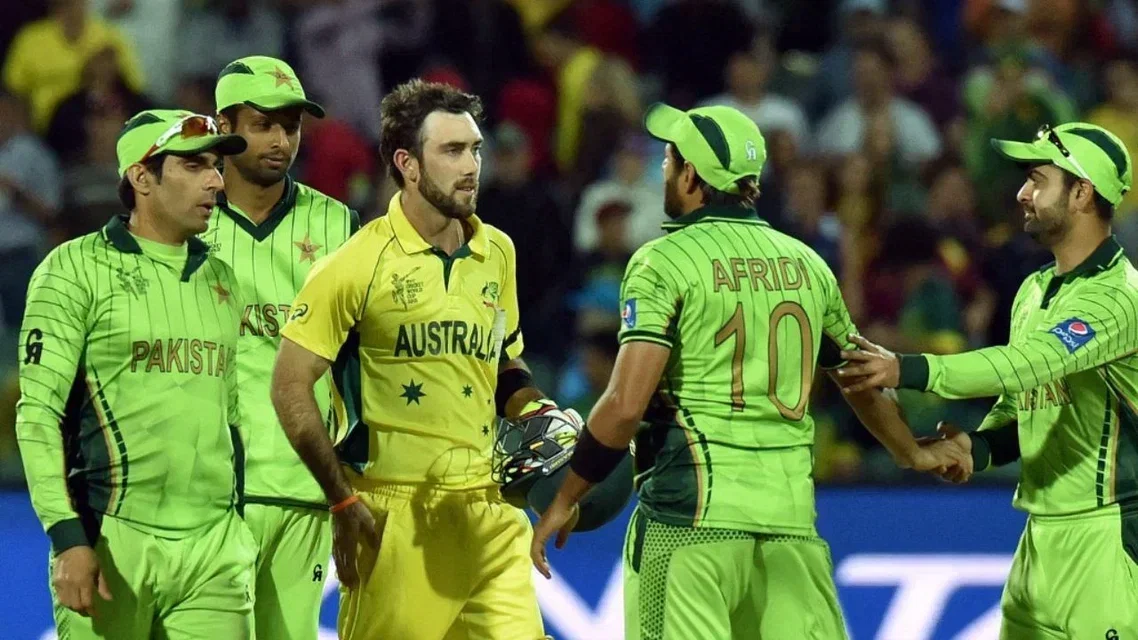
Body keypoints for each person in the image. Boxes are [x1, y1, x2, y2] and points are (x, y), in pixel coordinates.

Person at [530, 103, 966, 639]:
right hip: (791, 528)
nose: (664, 170)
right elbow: (860, 377)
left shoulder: (663, 261)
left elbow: (623, 406)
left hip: (690, 524)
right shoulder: (807, 263)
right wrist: (911, 451)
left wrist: (567, 496)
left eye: (669, 160)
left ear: (691, 175)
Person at [269, 79, 574, 640]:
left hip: (489, 511)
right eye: (452, 151)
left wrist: (534, 408)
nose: (471, 166)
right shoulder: (356, 264)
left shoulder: (497, 251)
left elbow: (502, 362)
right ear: (407, 164)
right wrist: (341, 499)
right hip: (395, 516)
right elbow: (289, 385)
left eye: (475, 149)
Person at [839, 122, 1138, 638]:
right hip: (1038, 543)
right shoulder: (1034, 289)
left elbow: (1025, 364)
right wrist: (976, 449)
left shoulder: (1118, 298)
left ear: (1083, 193)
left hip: (1107, 538)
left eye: (1038, 180)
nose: (1022, 193)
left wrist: (908, 368)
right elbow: (1023, 402)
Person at [16, 109, 253, 638]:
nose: (217, 181)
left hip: (216, 550)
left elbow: (230, 415)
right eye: (194, 165)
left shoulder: (222, 279)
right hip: (112, 541)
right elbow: (38, 414)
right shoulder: (72, 270)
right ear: (142, 177)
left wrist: (238, 525)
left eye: (216, 166)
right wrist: (68, 538)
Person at [207, 55, 358, 640]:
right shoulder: (186, 222)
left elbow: (360, 361)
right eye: (264, 124)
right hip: (210, 497)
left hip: (304, 491)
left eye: (291, 126)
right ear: (224, 126)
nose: (281, 140)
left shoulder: (339, 226)